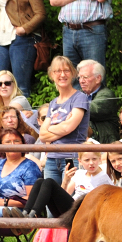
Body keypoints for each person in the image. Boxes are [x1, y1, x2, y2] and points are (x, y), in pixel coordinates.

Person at [4, 149, 111, 242]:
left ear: (100, 159)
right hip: (73, 210)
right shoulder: (79, 174)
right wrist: (66, 180)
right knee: (39, 182)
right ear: (80, 162)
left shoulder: (104, 178)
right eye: (87, 160)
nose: (91, 163)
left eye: (94, 159)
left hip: (86, 213)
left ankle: (30, 219)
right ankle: (26, 215)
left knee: (48, 182)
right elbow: (64, 193)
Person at [39, 56, 90, 185]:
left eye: (66, 70)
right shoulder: (53, 103)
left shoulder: (80, 97)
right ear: (52, 74)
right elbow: (42, 135)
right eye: (58, 71)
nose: (62, 75)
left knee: (69, 200)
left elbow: (68, 128)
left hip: (72, 156)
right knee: (50, 200)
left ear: (73, 73)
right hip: (51, 159)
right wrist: (62, 125)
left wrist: (51, 126)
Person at [0, 0, 45, 97]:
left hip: (22, 38)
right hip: (2, 39)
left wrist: (25, 28)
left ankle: (21, 112)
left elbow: (41, 13)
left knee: (21, 87)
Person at [51, 0, 112, 70]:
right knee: (71, 75)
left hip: (92, 30)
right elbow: (54, 2)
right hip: (68, 31)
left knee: (93, 73)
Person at [77, 59, 118, 144]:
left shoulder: (107, 94)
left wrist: (70, 106)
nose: (81, 81)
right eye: (80, 77)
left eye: (85, 77)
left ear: (98, 79)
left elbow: (93, 110)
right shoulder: (78, 95)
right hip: (86, 143)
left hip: (106, 144)